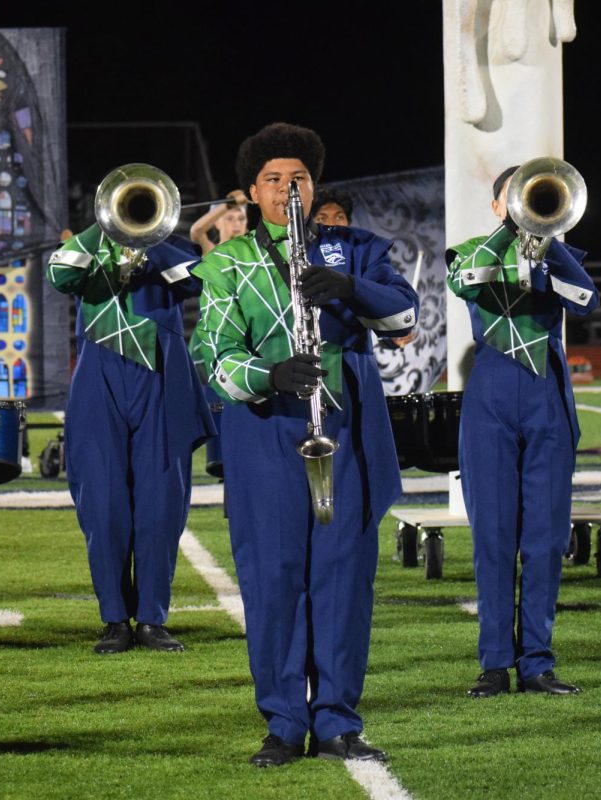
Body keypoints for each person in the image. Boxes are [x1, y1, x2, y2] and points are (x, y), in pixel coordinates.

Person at [192, 122, 418, 767]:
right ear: (250, 193)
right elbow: (212, 352)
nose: (288, 189)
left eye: (299, 178)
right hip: (267, 432)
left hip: (343, 430)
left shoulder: (355, 247)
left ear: (314, 184)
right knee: (273, 578)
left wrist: (350, 287)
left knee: (344, 580)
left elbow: (403, 316)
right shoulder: (227, 262)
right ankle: (285, 722)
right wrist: (268, 375)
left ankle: (339, 720)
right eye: (273, 180)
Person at [446, 165, 599, 700]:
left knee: (546, 538)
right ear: (497, 208)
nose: (523, 209)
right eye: (513, 201)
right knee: (493, 536)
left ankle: (537, 660)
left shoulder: (562, 256)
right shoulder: (470, 251)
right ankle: (494, 662)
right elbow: (464, 281)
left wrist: (548, 240)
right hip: (491, 390)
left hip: (546, 397)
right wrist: (510, 229)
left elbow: (587, 299)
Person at [47, 205, 214, 655]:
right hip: (99, 372)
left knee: (161, 503)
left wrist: (146, 242)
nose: (128, 220)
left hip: (161, 372)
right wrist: (101, 231)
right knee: (102, 501)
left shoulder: (170, 251)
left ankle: (153, 619)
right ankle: (115, 618)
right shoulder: (89, 250)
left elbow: (198, 279)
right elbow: (58, 273)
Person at [189, 190, 249, 256]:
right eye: (229, 218)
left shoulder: (255, 252)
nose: (237, 224)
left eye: (241, 218)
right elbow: (196, 231)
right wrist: (228, 205)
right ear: (217, 223)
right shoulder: (213, 253)